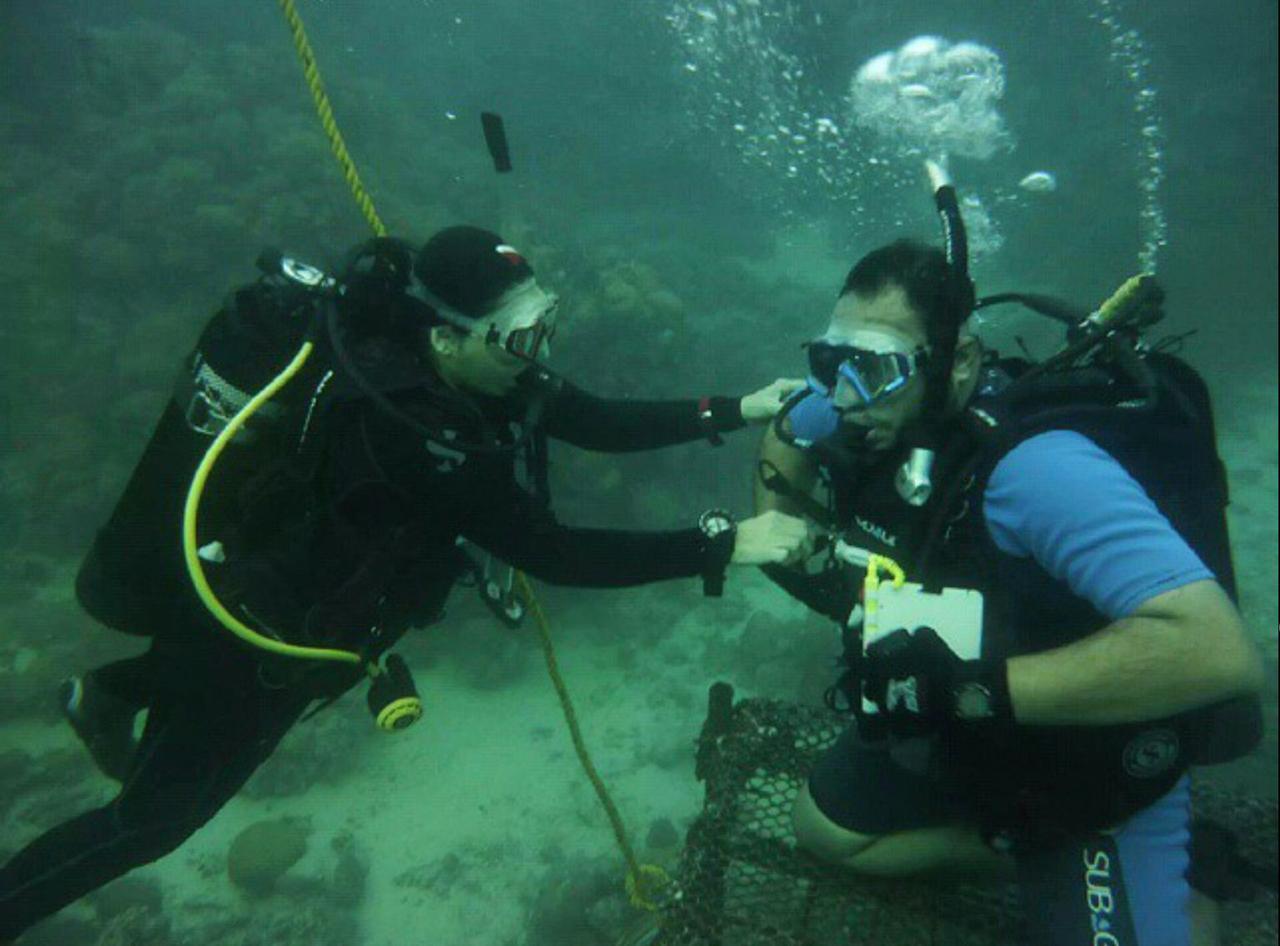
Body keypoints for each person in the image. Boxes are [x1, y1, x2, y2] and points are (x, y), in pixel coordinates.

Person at [0, 225, 813, 941]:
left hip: (268, 590)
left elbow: (592, 420)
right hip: (264, 639)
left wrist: (736, 408)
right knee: (151, 824)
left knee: (205, 697)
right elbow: (558, 556)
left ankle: (110, 693)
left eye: (544, 327)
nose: (538, 356)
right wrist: (724, 545)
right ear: (446, 335)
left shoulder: (465, 364)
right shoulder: (422, 435)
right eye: (520, 337)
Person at [753, 193, 1264, 943]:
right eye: (830, 361)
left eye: (874, 368)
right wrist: (805, 550)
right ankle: (1025, 853)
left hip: (1093, 755)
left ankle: (1183, 884)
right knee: (826, 831)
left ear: (958, 361)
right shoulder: (855, 406)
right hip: (969, 721)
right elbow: (785, 428)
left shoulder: (1040, 473)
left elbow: (1219, 655)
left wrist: (965, 692)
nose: (843, 394)